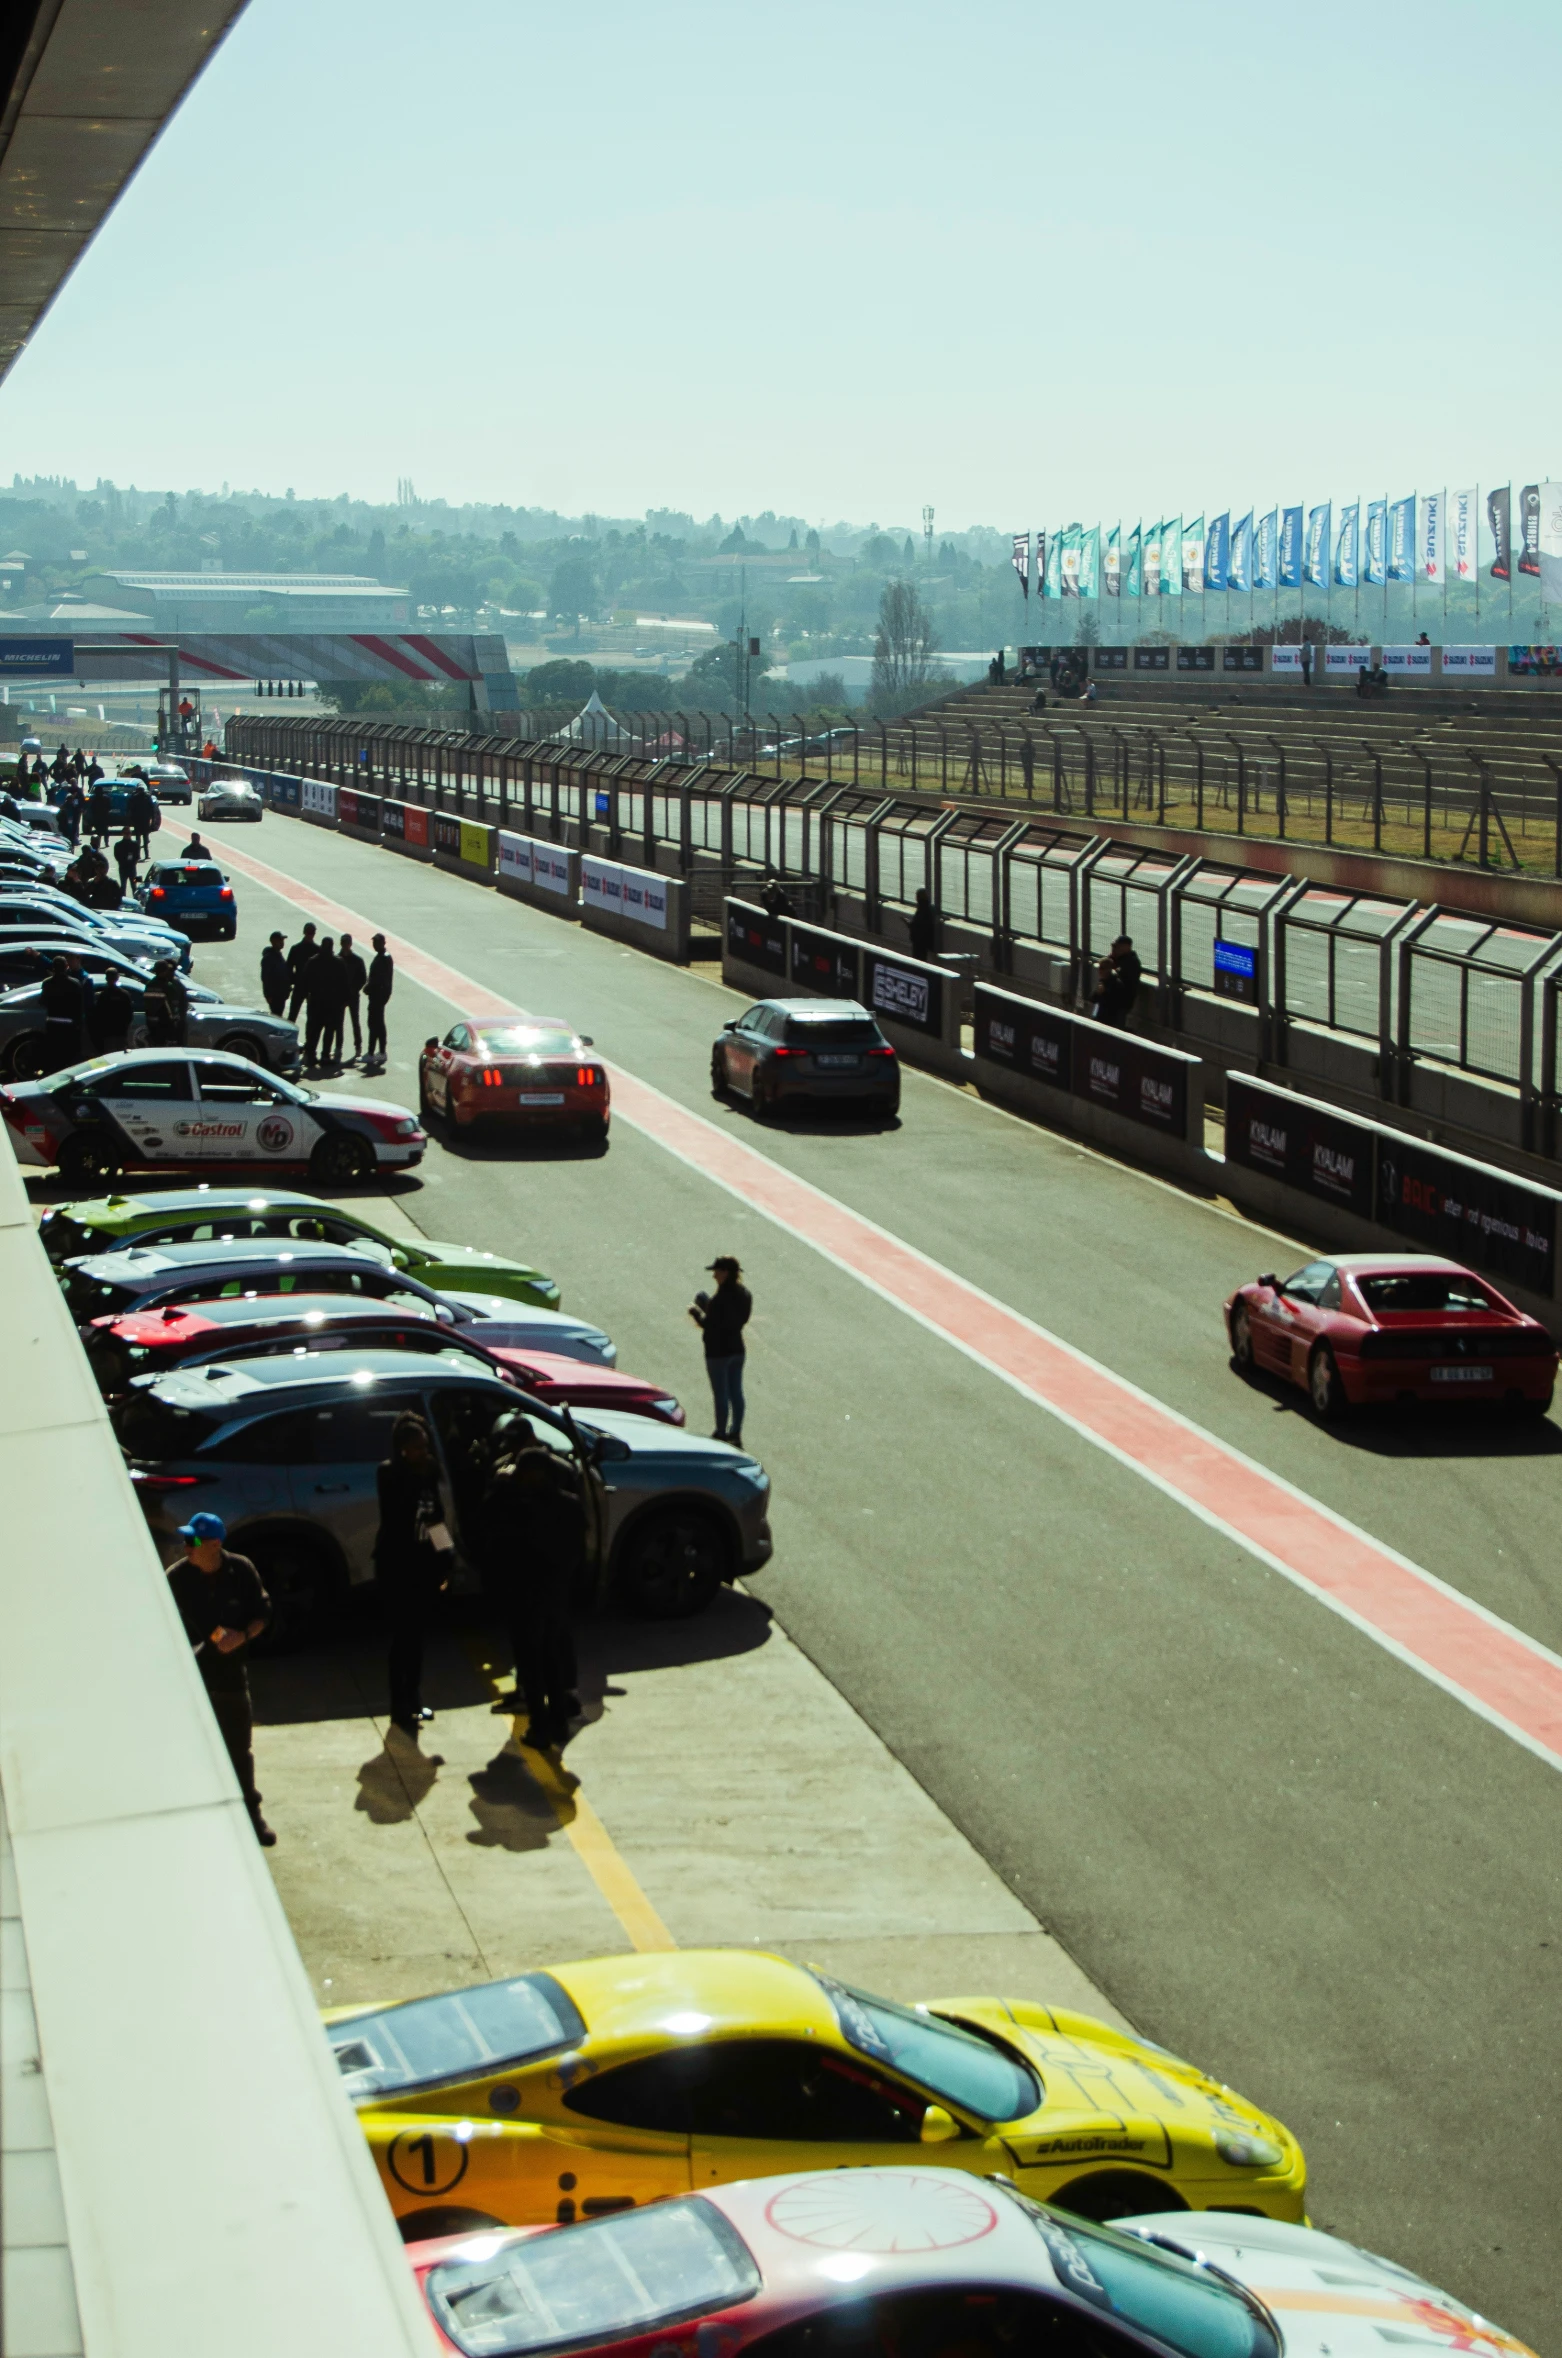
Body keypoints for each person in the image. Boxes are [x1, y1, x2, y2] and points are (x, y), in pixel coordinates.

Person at [166, 1514, 275, 1842]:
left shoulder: (240, 1571)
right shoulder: (176, 1578)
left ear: (215, 1544)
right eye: (186, 1540)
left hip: (229, 1676)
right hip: (191, 1681)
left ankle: (250, 1815)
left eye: (194, 1541)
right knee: (191, 1752)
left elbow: (263, 1612)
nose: (187, 1547)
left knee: (239, 1750)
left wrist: (241, 1636)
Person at [475, 1420, 583, 1750]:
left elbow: (487, 1526)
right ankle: (559, 1722)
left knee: (531, 1663)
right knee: (551, 1659)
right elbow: (579, 1548)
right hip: (556, 1594)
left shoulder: (515, 1505)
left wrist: (500, 1486)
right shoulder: (569, 1505)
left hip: (524, 1595)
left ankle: (539, 1725)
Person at [373, 1411, 451, 1736]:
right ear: (403, 1448)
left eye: (425, 1445)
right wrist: (420, 1473)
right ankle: (399, 1703)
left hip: (423, 1564)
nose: (423, 1451)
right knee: (402, 1639)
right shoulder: (390, 1473)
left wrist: (445, 1556)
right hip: (398, 1567)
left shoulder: (427, 1473)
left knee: (417, 1638)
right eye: (416, 1446)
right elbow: (397, 1513)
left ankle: (415, 1697)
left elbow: (435, 1518)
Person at [688, 1255, 752, 1446]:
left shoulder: (719, 1299)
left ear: (725, 1273)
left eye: (717, 1271)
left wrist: (696, 1312)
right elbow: (739, 1319)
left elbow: (709, 1324)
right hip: (737, 1348)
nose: (714, 1275)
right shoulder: (745, 1294)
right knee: (736, 1392)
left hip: (717, 1352)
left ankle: (721, 1431)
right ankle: (736, 1431)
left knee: (720, 1393)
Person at [40, 955, 86, 1070]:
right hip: (68, 1025)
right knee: (68, 1058)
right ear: (66, 967)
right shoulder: (74, 983)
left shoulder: (47, 983)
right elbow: (79, 1006)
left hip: (52, 1022)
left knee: (53, 1056)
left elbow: (43, 1002)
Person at [302, 935, 340, 1070]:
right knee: (329, 1032)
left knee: (314, 1031)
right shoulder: (337, 963)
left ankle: (311, 1055)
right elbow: (344, 984)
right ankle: (325, 1056)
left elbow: (305, 981)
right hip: (331, 1004)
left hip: (316, 1003)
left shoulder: (313, 962)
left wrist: (306, 995)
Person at [336, 931, 367, 1062]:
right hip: (341, 996)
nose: (345, 946)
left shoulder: (357, 960)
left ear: (350, 944)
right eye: (343, 943)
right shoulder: (337, 959)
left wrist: (355, 989)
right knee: (339, 1023)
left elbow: (363, 978)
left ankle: (358, 1047)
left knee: (355, 1022)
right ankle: (338, 1048)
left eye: (347, 943)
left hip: (353, 995)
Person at [364, 933, 394, 1069]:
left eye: (376, 942)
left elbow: (380, 980)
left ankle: (375, 1051)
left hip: (378, 996)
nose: (374, 945)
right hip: (377, 995)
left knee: (375, 1023)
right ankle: (378, 1051)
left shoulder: (384, 958)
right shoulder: (382, 957)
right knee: (376, 1023)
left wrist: (369, 987)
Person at [89, 970, 135, 1055]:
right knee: (121, 1056)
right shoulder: (124, 994)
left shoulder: (103, 995)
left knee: (110, 1056)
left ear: (106, 979)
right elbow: (129, 1015)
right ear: (117, 978)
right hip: (121, 1032)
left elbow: (98, 1014)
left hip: (108, 1033)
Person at [143, 958, 187, 1046]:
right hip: (165, 1023)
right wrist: (175, 1020)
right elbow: (173, 1006)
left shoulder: (149, 985)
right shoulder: (168, 986)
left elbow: (147, 1004)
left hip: (151, 1023)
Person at [285, 922, 319, 1021]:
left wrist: (292, 981)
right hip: (309, 987)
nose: (310, 935)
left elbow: (289, 968)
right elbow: (289, 967)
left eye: (311, 932)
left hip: (303, 986)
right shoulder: (317, 950)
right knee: (306, 1016)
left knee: (294, 1015)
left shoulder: (296, 948)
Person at [260, 930, 289, 1017]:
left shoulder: (278, 955)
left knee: (278, 1015)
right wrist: (268, 994)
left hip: (281, 993)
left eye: (282, 940)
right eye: (280, 940)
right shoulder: (269, 958)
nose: (282, 942)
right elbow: (265, 978)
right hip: (275, 995)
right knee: (276, 1016)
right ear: (273, 942)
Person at [908, 885, 938, 964]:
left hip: (920, 944)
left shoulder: (921, 910)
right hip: (926, 943)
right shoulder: (930, 909)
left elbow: (919, 926)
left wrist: (910, 925)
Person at [127, 774, 155, 855]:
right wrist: (152, 819)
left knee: (138, 838)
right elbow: (152, 809)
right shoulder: (146, 798)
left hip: (138, 820)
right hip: (144, 820)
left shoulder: (135, 798)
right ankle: (146, 854)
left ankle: (139, 854)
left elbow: (130, 808)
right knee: (144, 837)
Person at [85, 775, 112, 847]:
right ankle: (106, 843)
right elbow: (109, 806)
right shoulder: (106, 798)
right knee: (105, 831)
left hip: (97, 816)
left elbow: (91, 807)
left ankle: (99, 843)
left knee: (99, 831)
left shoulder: (94, 798)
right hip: (104, 816)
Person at [113, 826, 141, 893]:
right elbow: (116, 856)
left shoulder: (135, 844)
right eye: (125, 833)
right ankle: (123, 901)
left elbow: (137, 856)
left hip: (132, 869)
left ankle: (136, 900)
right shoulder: (118, 845)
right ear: (122, 834)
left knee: (134, 885)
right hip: (123, 869)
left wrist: (133, 863)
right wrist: (122, 862)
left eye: (129, 833)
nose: (127, 834)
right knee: (123, 886)